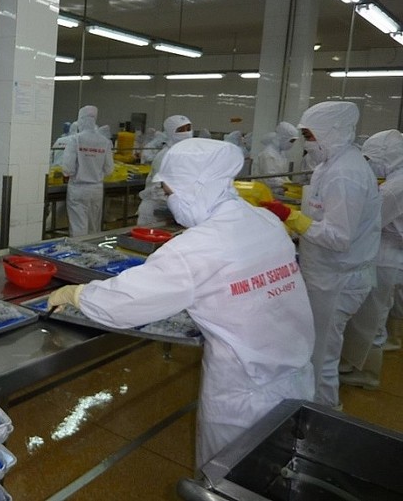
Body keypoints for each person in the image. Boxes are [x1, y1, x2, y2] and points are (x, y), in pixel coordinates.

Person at [47, 138, 314, 468]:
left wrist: (76, 294)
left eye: (171, 193)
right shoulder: (264, 222)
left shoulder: (197, 247)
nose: (170, 202)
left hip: (245, 393)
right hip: (297, 375)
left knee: (228, 479)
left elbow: (125, 303)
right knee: (278, 475)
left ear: (194, 187)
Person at [261, 101, 381, 409]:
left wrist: (291, 217)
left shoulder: (346, 174)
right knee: (316, 349)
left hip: (337, 277)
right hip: (325, 272)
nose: (306, 142)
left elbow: (339, 237)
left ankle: (324, 419)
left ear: (331, 132)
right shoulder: (331, 164)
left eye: (310, 135)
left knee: (322, 356)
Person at [339, 130, 403, 390]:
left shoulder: (394, 188)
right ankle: (357, 363)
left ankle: (366, 374)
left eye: (372, 158)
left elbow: (368, 222)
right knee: (377, 313)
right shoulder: (395, 180)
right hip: (390, 253)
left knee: (372, 318)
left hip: (386, 254)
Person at [61, 106, 114, 236]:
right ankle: (92, 254)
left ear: (80, 120)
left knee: (79, 227)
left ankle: (79, 255)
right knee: (93, 227)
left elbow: (67, 168)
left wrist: (76, 173)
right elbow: (109, 169)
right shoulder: (104, 141)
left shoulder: (76, 139)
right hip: (96, 189)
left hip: (78, 189)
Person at [137, 115, 192, 225]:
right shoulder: (165, 155)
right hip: (155, 209)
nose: (186, 133)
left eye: (188, 129)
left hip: (169, 208)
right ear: (171, 132)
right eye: (181, 130)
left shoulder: (185, 153)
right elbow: (159, 188)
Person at [253, 121, 298, 194]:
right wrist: (288, 185)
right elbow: (270, 179)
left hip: (277, 192)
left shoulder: (281, 153)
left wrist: (291, 184)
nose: (292, 144)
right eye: (291, 141)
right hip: (266, 193)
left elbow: (283, 175)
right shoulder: (268, 154)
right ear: (282, 138)